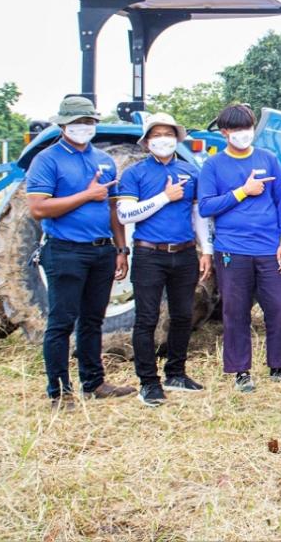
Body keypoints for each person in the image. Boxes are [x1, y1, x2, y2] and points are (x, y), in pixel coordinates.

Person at [25, 96, 134, 407]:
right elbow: (38, 207)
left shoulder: (103, 159)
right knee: (61, 321)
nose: (83, 127)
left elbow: (112, 208)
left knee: (92, 320)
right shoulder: (48, 160)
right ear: (62, 125)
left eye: (88, 121)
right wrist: (87, 194)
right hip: (65, 251)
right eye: (76, 122)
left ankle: (94, 382)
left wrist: (121, 248)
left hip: (101, 252)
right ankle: (59, 391)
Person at [197, 104, 281, 392]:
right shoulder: (213, 165)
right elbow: (205, 206)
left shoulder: (269, 159)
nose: (244, 134)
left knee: (280, 306)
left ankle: (278, 366)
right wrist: (242, 191)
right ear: (225, 132)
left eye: (248, 128)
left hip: (269, 248)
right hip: (232, 249)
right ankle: (241, 371)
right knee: (236, 310)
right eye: (237, 129)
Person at [115, 112, 214, 407]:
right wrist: (164, 197)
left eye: (168, 134)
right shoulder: (135, 173)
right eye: (156, 135)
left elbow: (198, 214)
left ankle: (176, 372)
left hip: (183, 253)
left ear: (177, 139)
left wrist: (206, 249)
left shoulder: (190, 172)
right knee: (146, 318)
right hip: (149, 254)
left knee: (182, 315)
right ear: (146, 142)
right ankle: (148, 382)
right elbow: (125, 214)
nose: (163, 139)